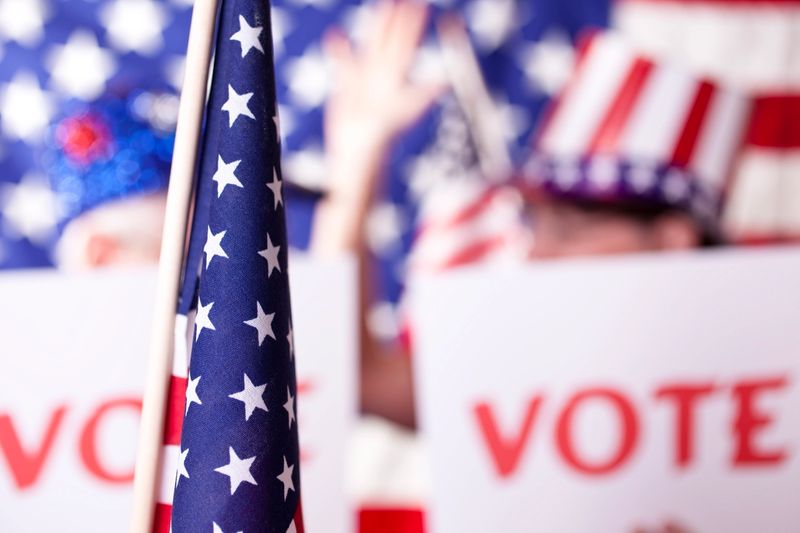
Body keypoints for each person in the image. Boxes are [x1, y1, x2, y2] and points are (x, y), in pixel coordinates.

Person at [312, 3, 750, 430]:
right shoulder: (531, 366)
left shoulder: (762, 365)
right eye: (534, 228)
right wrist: (356, 157)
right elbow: (361, 378)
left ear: (674, 240)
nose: (535, 255)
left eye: (567, 231)